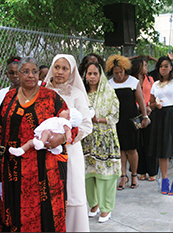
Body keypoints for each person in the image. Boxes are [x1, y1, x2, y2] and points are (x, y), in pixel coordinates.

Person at [0, 56, 73, 232]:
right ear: (19, 75)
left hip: (45, 168)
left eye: (34, 72)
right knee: (15, 211)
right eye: (25, 72)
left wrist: (60, 139)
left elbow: (71, 125)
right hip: (14, 169)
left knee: (48, 214)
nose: (30, 75)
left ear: (39, 74)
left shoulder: (51, 97)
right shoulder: (9, 97)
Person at [44, 54, 93, 232]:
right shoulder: (42, 93)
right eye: (57, 67)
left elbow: (87, 125)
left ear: (71, 72)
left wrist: (64, 138)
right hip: (45, 152)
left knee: (72, 192)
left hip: (71, 152)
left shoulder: (78, 95)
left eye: (65, 68)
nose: (60, 72)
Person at [81, 62, 121, 223]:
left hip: (105, 138)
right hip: (86, 139)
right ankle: (94, 204)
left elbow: (115, 116)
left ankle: (106, 208)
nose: (92, 77)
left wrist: (99, 119)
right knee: (88, 174)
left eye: (95, 74)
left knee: (105, 174)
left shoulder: (108, 92)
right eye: (89, 74)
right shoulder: (81, 93)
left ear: (100, 75)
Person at [106, 54, 150, 190]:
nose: (118, 75)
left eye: (121, 72)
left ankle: (134, 175)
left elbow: (141, 100)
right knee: (120, 149)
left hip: (132, 119)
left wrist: (145, 116)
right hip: (117, 120)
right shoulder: (110, 84)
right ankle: (123, 175)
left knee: (132, 148)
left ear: (125, 69)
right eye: (115, 73)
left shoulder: (133, 81)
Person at [149, 53, 173, 196]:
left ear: (171, 68)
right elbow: (151, 104)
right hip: (160, 116)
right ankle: (164, 180)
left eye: (166, 66)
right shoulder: (155, 84)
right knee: (162, 150)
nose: (163, 69)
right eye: (161, 66)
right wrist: (155, 105)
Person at [129, 56, 158, 182]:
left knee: (151, 142)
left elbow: (154, 96)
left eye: (147, 65)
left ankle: (152, 171)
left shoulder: (151, 79)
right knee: (138, 143)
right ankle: (140, 170)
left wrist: (149, 107)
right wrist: (139, 107)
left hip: (150, 112)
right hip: (135, 114)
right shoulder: (130, 80)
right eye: (144, 65)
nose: (146, 67)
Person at [8, 108, 82, 155]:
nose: (63, 110)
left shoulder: (65, 122)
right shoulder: (58, 119)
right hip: (41, 136)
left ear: (68, 117)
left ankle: (41, 143)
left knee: (46, 132)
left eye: (66, 111)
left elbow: (68, 130)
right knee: (31, 142)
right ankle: (21, 150)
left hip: (50, 136)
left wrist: (67, 138)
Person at [0, 56, 21, 121]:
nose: (15, 76)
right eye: (11, 73)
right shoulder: (2, 93)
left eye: (17, 72)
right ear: (7, 74)